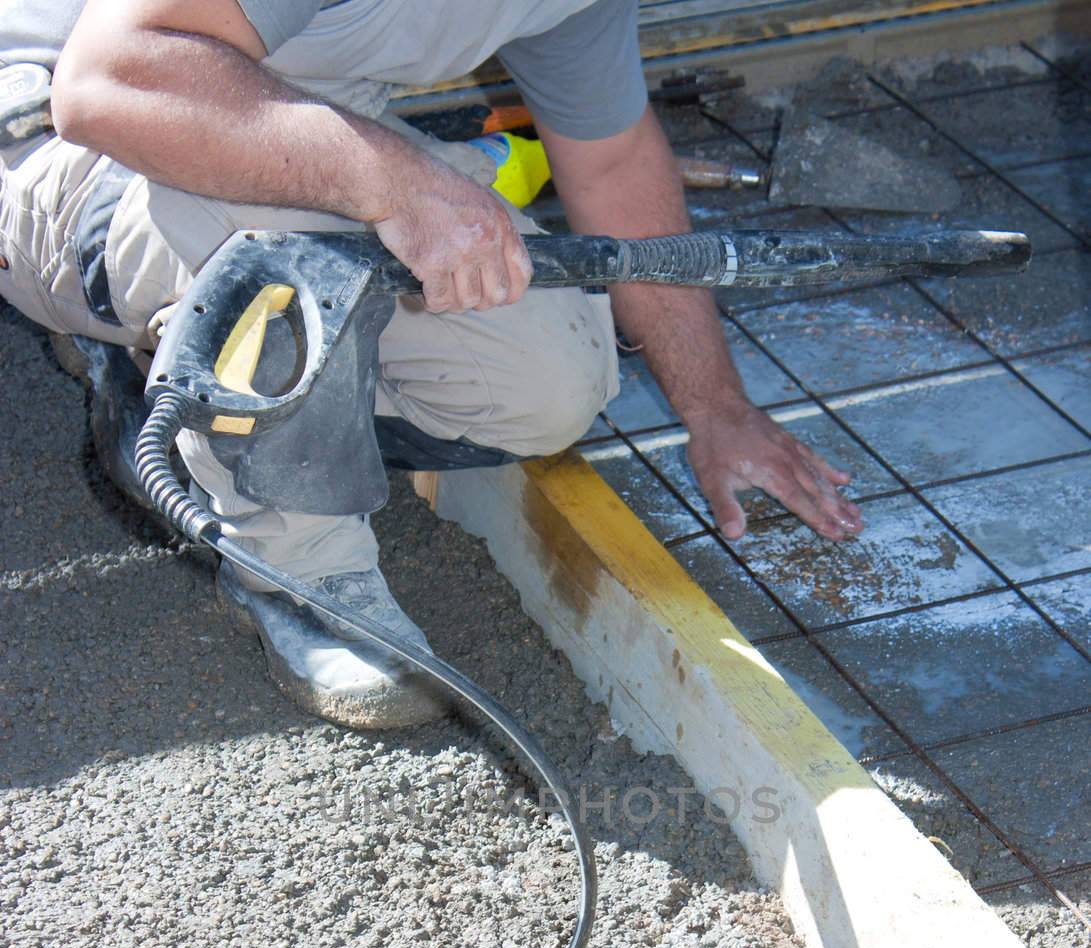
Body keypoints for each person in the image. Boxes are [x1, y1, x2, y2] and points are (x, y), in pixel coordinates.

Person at [0, 0, 863, 729]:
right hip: (72, 156)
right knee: (300, 263)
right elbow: (111, 84)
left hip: (297, 130)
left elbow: (612, 159)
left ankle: (196, 380)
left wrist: (716, 406)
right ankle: (298, 571)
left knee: (542, 389)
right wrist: (401, 186)